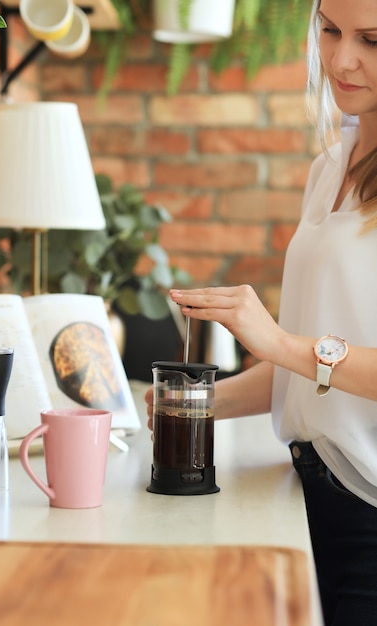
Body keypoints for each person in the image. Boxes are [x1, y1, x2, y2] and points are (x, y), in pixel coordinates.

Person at [145, 1, 377, 624]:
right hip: (311, 487)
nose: (340, 59)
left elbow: (298, 353)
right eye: (329, 31)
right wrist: (200, 404)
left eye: (372, 39)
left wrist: (276, 341)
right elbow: (316, 370)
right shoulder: (328, 168)